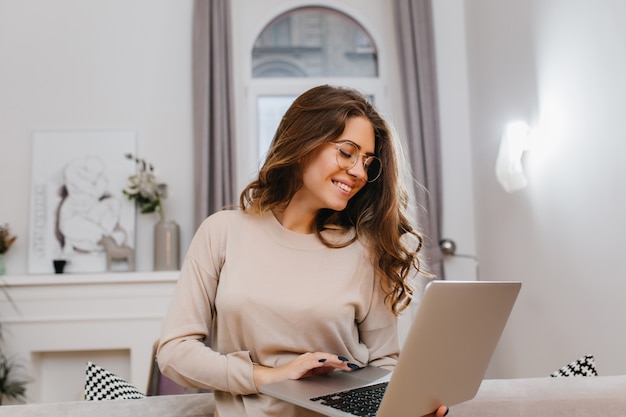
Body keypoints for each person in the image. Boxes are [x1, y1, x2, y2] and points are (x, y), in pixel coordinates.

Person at [157, 85, 448, 417]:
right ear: (302, 144)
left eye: (368, 162)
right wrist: (269, 377)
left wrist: (406, 407)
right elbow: (175, 352)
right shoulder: (222, 232)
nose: (358, 172)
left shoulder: (366, 250)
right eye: (347, 152)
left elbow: (384, 362)